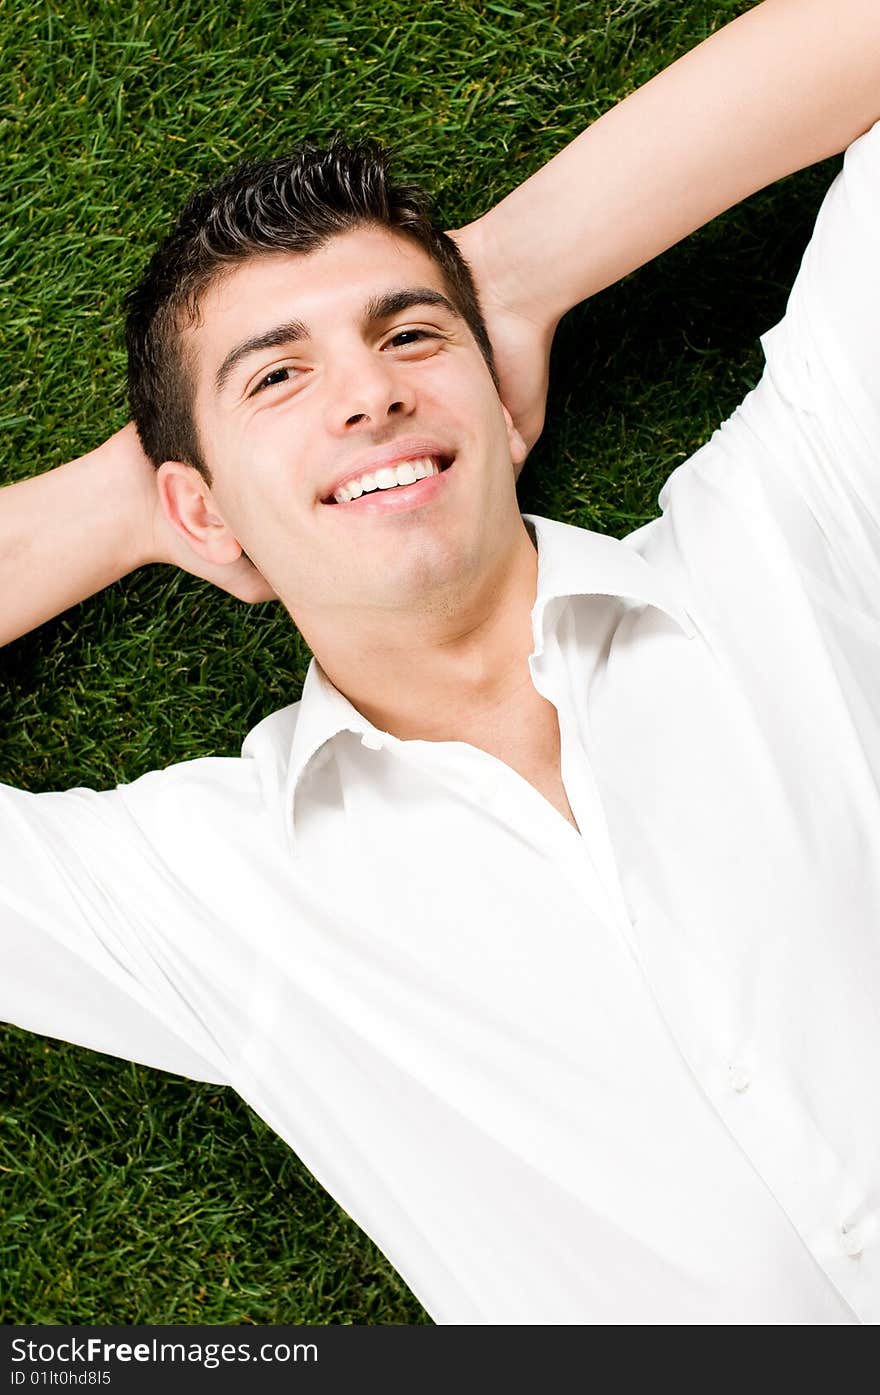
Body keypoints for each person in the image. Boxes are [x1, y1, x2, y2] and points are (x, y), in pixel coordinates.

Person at [2, 0, 880, 1324]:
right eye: (277, 380)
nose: (369, 392)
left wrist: (516, 269)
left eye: (409, 336)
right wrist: (141, 501)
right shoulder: (208, 895)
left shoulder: (789, 528)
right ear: (200, 515)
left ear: (503, 392)